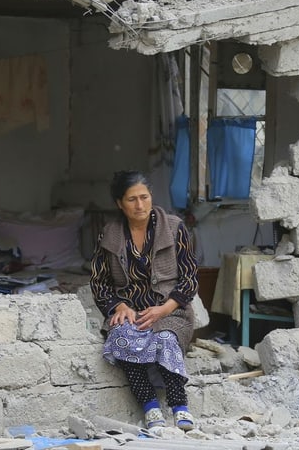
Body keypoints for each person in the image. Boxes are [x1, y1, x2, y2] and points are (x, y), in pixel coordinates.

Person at [90, 170, 198, 431]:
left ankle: (179, 407)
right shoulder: (110, 234)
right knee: (121, 338)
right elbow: (99, 282)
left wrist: (165, 309)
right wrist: (118, 306)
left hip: (171, 311)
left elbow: (189, 278)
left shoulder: (174, 228)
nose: (140, 205)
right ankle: (150, 407)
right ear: (119, 203)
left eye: (144, 197)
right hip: (130, 312)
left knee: (165, 339)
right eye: (131, 199)